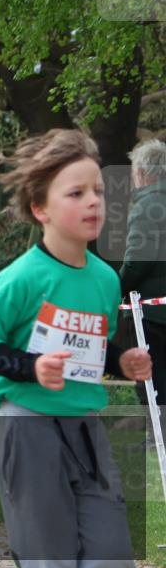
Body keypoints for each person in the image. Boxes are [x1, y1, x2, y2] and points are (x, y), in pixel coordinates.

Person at [0, 129, 152, 568]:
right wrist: (32, 368)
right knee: (52, 561)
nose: (94, 202)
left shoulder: (106, 280)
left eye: (99, 192)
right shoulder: (21, 279)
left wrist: (119, 361)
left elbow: (88, 345)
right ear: (40, 208)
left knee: (108, 558)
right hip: (28, 425)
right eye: (77, 193)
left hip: (86, 426)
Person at [119, 139, 166, 426]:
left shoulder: (147, 206)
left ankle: (155, 438)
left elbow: (138, 259)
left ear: (143, 173)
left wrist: (115, 288)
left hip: (154, 315)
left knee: (150, 376)